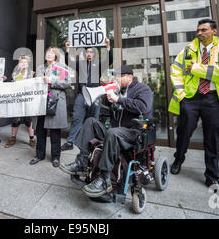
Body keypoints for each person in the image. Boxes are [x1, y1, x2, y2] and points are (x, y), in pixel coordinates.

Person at [168, 19, 219, 200]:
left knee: (212, 138)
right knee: (184, 132)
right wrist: (181, 93)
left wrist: (197, 69)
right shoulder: (187, 51)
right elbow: (175, 70)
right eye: (198, 30)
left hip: (212, 99)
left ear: (214, 31)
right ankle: (179, 158)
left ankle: (212, 177)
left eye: (204, 30)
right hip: (190, 98)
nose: (199, 33)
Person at [60, 65, 153, 197]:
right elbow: (105, 112)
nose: (116, 79)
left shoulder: (143, 89)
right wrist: (106, 98)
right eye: (115, 76)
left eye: (119, 76)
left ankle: (105, 178)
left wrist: (118, 100)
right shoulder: (117, 90)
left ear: (129, 77)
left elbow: (143, 107)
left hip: (133, 133)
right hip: (114, 133)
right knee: (91, 121)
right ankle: (82, 161)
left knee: (113, 132)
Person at [60, 38, 113, 152]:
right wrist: (68, 49)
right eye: (87, 52)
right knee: (76, 118)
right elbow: (68, 62)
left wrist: (108, 47)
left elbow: (109, 60)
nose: (89, 54)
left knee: (94, 119)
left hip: (95, 94)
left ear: (94, 53)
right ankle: (70, 142)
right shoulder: (80, 64)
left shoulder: (99, 64)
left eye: (91, 52)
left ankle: (93, 143)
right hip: (82, 94)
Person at [29, 47, 70, 168]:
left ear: (56, 56)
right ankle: (39, 155)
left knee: (55, 131)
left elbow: (67, 83)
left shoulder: (61, 68)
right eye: (48, 52)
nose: (49, 54)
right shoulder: (40, 68)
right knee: (40, 130)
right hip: (41, 101)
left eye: (52, 53)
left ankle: (56, 157)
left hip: (55, 101)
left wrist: (52, 81)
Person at [4, 55, 36, 148]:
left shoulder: (32, 74)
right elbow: (9, 86)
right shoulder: (14, 74)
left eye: (25, 62)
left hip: (28, 101)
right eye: (21, 62)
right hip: (17, 101)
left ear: (28, 64)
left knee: (29, 120)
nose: (23, 64)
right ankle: (13, 138)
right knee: (15, 120)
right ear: (19, 64)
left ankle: (32, 139)